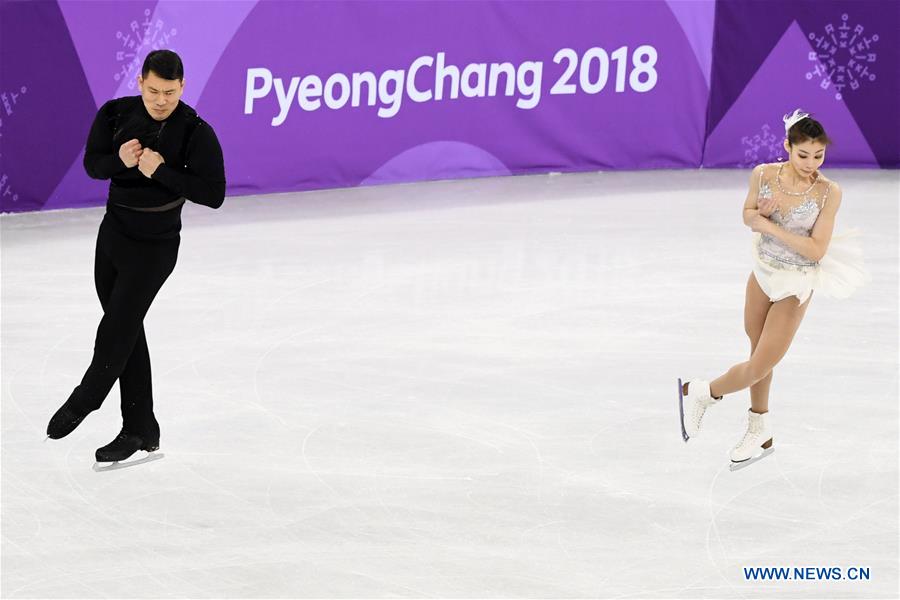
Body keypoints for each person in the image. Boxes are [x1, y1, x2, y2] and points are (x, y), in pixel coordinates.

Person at [46, 49, 225, 464]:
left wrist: (161, 171)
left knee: (117, 328)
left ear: (183, 86)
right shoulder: (114, 115)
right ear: (139, 83)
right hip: (113, 236)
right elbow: (93, 165)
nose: (161, 100)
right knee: (127, 329)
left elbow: (213, 195)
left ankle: (87, 396)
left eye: (170, 91)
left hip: (156, 245)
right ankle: (140, 427)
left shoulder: (196, 131)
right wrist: (119, 161)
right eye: (153, 90)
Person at [678, 109, 868, 470]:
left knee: (759, 365)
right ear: (788, 146)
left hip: (796, 283)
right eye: (803, 155)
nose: (811, 163)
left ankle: (702, 393)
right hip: (763, 273)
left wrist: (772, 226)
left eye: (819, 155)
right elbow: (747, 216)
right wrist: (760, 215)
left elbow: (815, 250)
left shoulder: (829, 192)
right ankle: (759, 429)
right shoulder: (763, 174)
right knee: (757, 356)